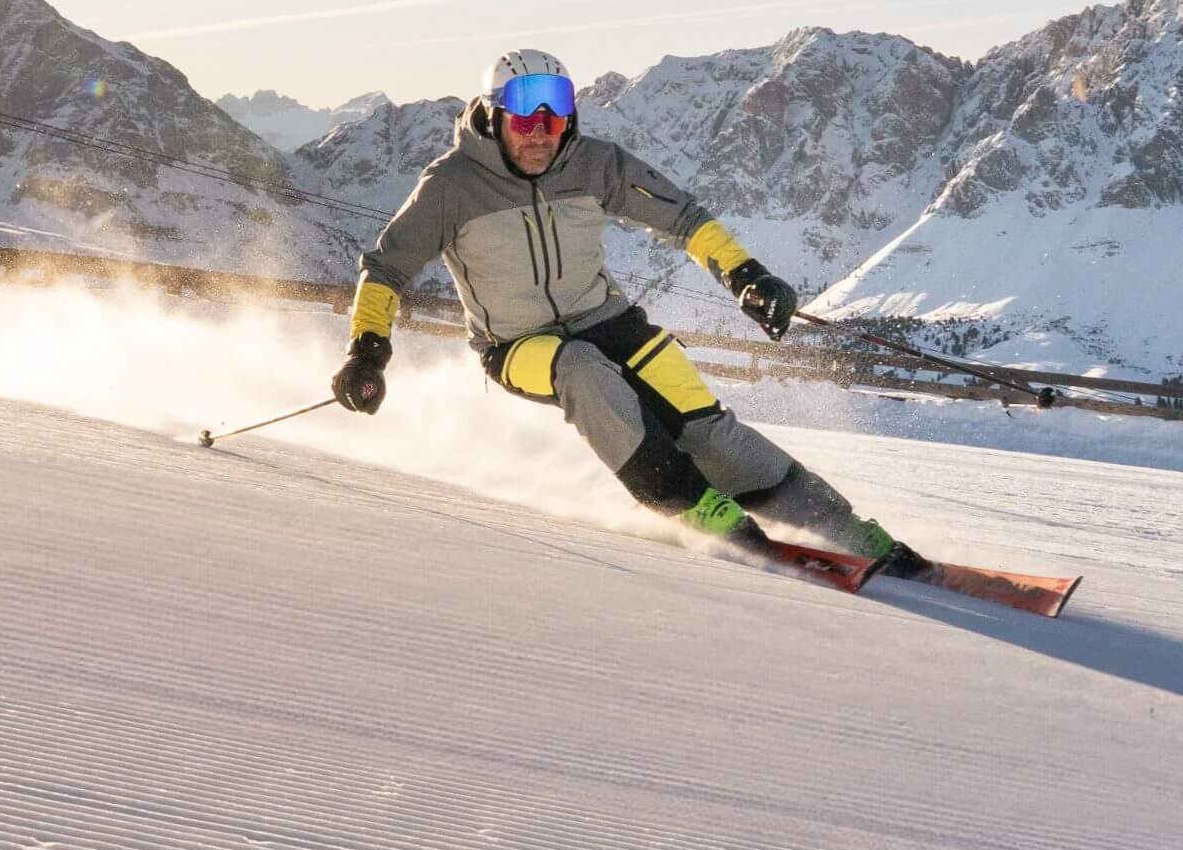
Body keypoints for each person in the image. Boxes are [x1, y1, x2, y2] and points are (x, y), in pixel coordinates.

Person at [329, 47, 926, 574]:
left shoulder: (592, 164)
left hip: (608, 321)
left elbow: (683, 218)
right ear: (492, 117)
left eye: (555, 119)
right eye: (525, 119)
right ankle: (696, 507)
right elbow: (386, 268)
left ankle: (850, 530)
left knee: (709, 430)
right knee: (582, 369)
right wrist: (367, 350)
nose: (541, 134)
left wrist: (746, 276)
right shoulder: (451, 186)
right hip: (516, 346)